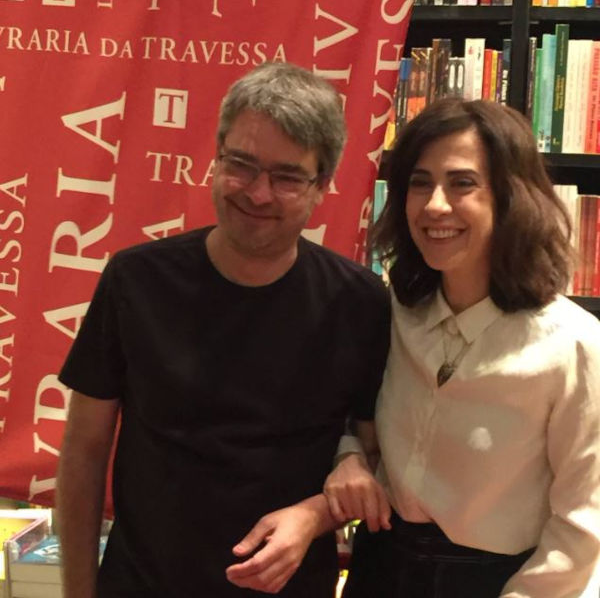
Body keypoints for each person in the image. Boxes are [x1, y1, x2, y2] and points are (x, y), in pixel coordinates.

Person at [56, 61, 390, 598]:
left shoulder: (361, 302)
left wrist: (314, 516)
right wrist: (77, 591)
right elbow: (84, 452)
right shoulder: (135, 279)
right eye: (241, 165)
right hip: (142, 585)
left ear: (323, 184)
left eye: (286, 176)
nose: (257, 194)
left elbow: (374, 458)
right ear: (215, 158)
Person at [324, 98, 600, 597]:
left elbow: (584, 526)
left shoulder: (575, 345)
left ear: (511, 196)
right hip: (379, 567)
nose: (434, 205)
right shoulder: (395, 314)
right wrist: (350, 457)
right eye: (420, 182)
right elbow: (351, 414)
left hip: (492, 582)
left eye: (462, 183)